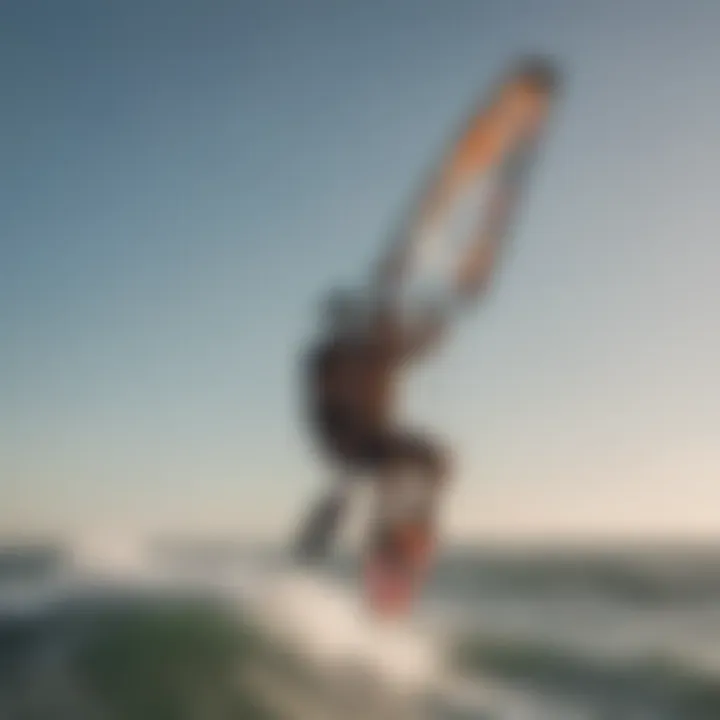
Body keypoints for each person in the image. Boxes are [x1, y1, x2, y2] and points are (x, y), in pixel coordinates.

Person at [293, 57, 559, 581]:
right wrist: (404, 328)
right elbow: (339, 382)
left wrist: (439, 321)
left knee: (433, 459)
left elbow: (413, 346)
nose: (374, 322)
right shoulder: (332, 354)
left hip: (366, 440)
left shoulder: (374, 345)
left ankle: (395, 535)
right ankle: (387, 534)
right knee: (418, 459)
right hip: (348, 438)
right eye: (359, 319)